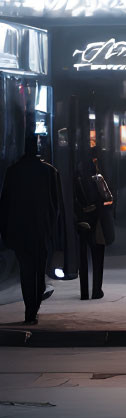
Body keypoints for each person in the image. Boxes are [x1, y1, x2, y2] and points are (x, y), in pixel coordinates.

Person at [0, 134, 62, 324]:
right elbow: (56, 205)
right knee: (39, 268)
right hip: (42, 229)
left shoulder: (13, 171)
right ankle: (34, 306)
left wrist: (6, 231)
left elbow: (5, 204)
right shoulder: (49, 172)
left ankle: (30, 309)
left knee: (26, 270)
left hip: (20, 229)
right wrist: (53, 229)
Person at [73, 153, 115, 300]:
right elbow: (108, 198)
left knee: (83, 259)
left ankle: (84, 292)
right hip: (97, 222)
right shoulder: (98, 179)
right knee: (98, 257)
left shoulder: (74, 181)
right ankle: (97, 290)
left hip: (81, 222)